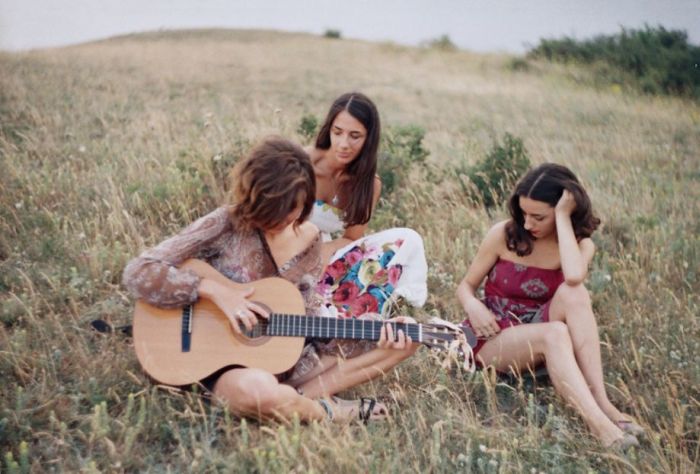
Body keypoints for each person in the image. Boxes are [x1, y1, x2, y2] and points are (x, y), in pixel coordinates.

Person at [123, 137, 418, 422]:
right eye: (271, 214)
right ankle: (329, 412)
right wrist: (213, 291)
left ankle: (296, 399)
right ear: (252, 197)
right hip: (224, 368)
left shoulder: (311, 240)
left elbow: (311, 314)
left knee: (403, 342)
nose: (280, 223)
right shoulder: (225, 223)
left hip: (284, 358)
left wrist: (375, 326)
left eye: (291, 213)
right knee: (258, 391)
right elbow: (138, 270)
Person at [456, 163, 643, 448]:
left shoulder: (580, 245)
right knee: (554, 332)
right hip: (494, 335)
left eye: (538, 217)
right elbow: (465, 285)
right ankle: (603, 430)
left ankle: (604, 404)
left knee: (574, 293)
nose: (528, 224)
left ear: (563, 212)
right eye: (523, 214)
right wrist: (472, 306)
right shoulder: (503, 235)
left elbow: (573, 276)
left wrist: (562, 218)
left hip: (539, 326)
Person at [307, 92, 428, 320]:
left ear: (369, 138)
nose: (344, 144)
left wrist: (324, 251)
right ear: (328, 130)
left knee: (408, 239)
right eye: (337, 132)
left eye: (355, 136)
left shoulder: (369, 184)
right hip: (286, 249)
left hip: (325, 257)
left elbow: (351, 238)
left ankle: (355, 314)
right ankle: (326, 309)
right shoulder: (303, 163)